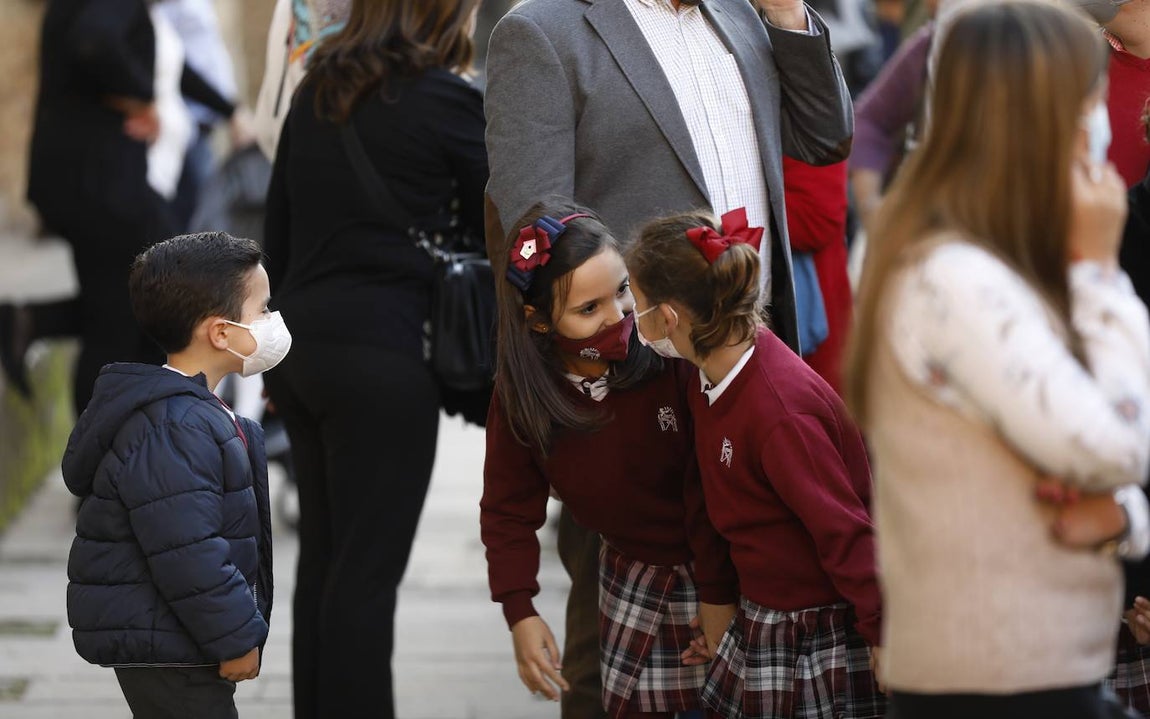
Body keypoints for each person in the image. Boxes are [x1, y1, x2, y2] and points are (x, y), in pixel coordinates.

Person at [484, 1, 853, 712]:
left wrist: (785, 16)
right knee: (612, 663)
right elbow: (535, 228)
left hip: (754, 376)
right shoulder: (544, 32)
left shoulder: (746, 16)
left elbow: (825, 134)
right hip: (630, 400)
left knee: (764, 644)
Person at [846, 2, 1150, 717]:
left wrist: (1123, 517)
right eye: (1094, 101)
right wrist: (1099, 273)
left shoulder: (996, 258)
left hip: (1037, 666)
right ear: (1045, 117)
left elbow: (1104, 467)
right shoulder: (953, 277)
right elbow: (1119, 445)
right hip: (995, 677)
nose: (1105, 123)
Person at [260, 1, 487, 716]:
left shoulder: (315, 91)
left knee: (326, 563)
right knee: (366, 576)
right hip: (386, 360)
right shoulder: (447, 101)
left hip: (301, 354)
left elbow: (278, 234)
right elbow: (507, 218)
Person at [624, 208, 885, 719]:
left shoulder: (780, 414)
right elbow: (710, 496)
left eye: (636, 304)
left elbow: (845, 531)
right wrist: (718, 600)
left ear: (669, 317)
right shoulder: (708, 375)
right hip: (760, 615)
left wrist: (884, 633)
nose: (632, 320)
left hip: (813, 635)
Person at [480, 202, 736, 717]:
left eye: (622, 292)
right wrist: (519, 611)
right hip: (626, 574)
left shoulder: (673, 359)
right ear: (538, 321)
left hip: (724, 571)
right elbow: (507, 509)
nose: (617, 317)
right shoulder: (524, 397)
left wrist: (717, 596)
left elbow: (706, 493)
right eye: (588, 309)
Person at [61, 231, 285, 719]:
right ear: (220, 332)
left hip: (178, 636)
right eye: (263, 310)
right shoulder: (176, 425)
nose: (272, 323)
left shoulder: (190, 411)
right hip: (171, 646)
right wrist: (236, 637)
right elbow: (189, 551)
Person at [5, 0, 244, 410]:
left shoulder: (140, 12)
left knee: (129, 305)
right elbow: (94, 43)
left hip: (99, 183)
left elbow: (171, 67)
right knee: (137, 306)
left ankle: (30, 321)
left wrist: (230, 112)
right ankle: (101, 450)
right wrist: (144, 99)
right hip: (96, 184)